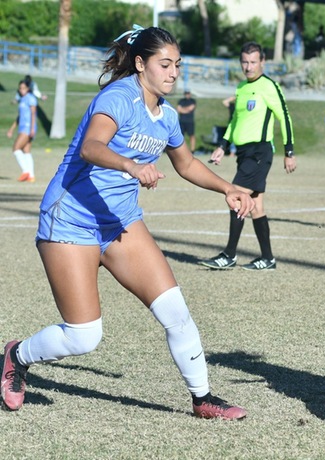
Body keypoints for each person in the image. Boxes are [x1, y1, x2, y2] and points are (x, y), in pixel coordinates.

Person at [0, 26, 253, 420]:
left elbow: (185, 164)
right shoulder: (118, 97)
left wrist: (227, 188)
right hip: (70, 221)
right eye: (164, 64)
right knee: (84, 335)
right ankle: (17, 356)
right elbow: (91, 147)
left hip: (119, 222)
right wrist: (131, 166)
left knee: (175, 311)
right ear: (140, 64)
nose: (173, 73)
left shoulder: (167, 116)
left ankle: (202, 397)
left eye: (177, 65)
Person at [201, 42, 297, 271]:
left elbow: (284, 117)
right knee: (255, 208)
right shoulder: (242, 88)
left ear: (262, 62)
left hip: (260, 152)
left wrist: (289, 151)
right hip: (244, 154)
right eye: (245, 61)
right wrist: (222, 146)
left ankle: (229, 254)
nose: (248, 66)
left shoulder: (269, 86)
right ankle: (268, 258)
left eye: (253, 62)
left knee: (236, 197)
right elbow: (235, 121)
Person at [7, 79, 37, 182]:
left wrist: (32, 128)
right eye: (20, 88)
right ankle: (31, 176)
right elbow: (19, 117)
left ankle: (25, 171)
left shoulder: (31, 99)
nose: (22, 90)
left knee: (16, 148)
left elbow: (33, 114)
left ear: (28, 88)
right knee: (26, 151)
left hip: (28, 128)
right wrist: (11, 129)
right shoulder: (22, 99)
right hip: (22, 127)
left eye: (24, 88)